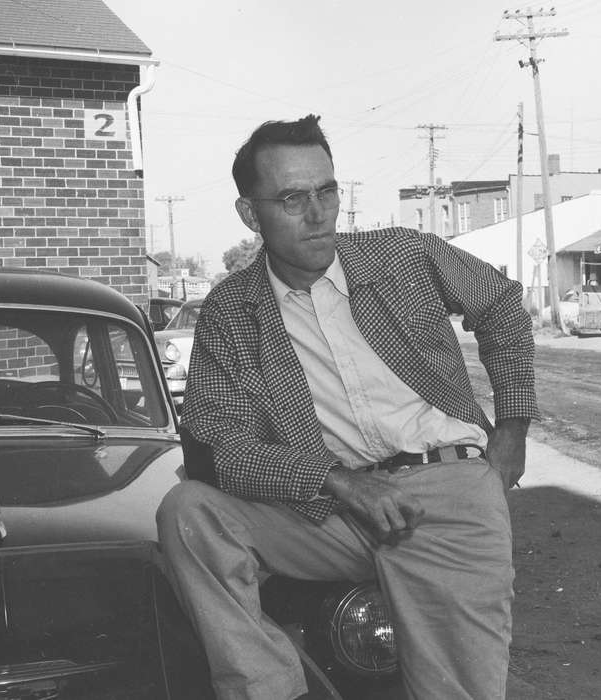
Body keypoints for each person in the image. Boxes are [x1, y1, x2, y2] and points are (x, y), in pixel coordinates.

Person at [155, 114, 538, 700]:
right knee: (191, 512)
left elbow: (502, 304)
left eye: (326, 191)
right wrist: (334, 481)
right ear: (249, 213)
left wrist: (512, 425)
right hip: (329, 509)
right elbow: (218, 448)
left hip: (444, 492)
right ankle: (272, 688)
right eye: (291, 198)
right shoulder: (232, 310)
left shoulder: (402, 255)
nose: (317, 214)